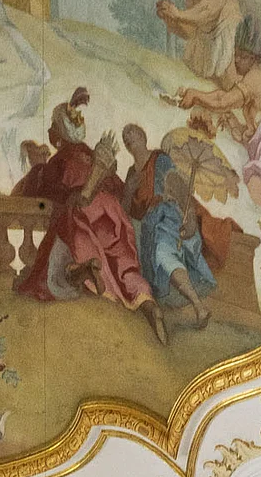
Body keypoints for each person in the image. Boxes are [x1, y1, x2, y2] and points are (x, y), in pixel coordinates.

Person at [14, 111, 167, 342]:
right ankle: (147, 303)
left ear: (59, 134)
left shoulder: (60, 160)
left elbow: (38, 194)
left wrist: (38, 169)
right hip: (112, 213)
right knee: (124, 267)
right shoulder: (91, 155)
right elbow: (121, 194)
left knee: (56, 270)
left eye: (52, 126)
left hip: (82, 210)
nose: (49, 131)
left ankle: (81, 270)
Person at [174, 19, 261, 226]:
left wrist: (196, 95)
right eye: (236, 54)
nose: (237, 60)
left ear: (254, 59)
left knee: (257, 188)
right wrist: (237, 127)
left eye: (243, 56)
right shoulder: (255, 80)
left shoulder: (254, 77)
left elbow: (222, 100)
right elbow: (256, 130)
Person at [122, 123, 231, 328]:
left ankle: (199, 307)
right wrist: (128, 190)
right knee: (156, 262)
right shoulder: (130, 173)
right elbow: (125, 210)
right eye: (125, 136)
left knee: (164, 254)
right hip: (147, 229)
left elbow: (179, 187)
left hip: (168, 218)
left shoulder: (159, 160)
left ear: (143, 135)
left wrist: (189, 217)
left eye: (132, 132)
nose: (128, 136)